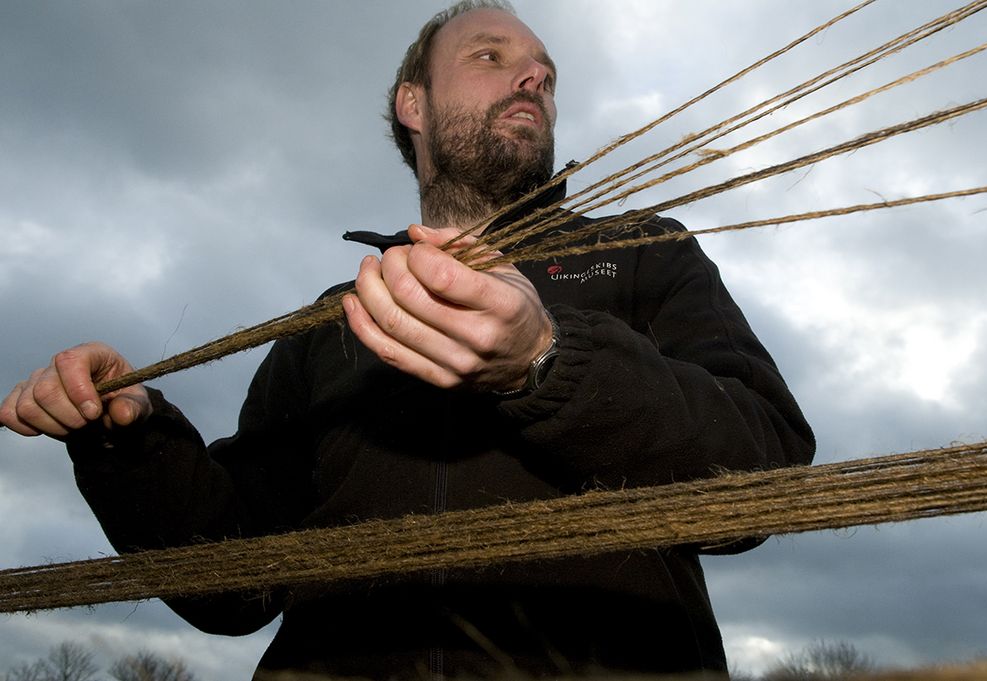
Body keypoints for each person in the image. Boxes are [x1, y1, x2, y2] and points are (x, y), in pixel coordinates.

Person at [0, 2, 815, 679]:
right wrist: (128, 441)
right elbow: (235, 585)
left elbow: (765, 470)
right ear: (412, 104)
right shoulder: (333, 323)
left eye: (545, 72)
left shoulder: (642, 250)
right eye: (491, 56)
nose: (534, 76)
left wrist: (547, 362)